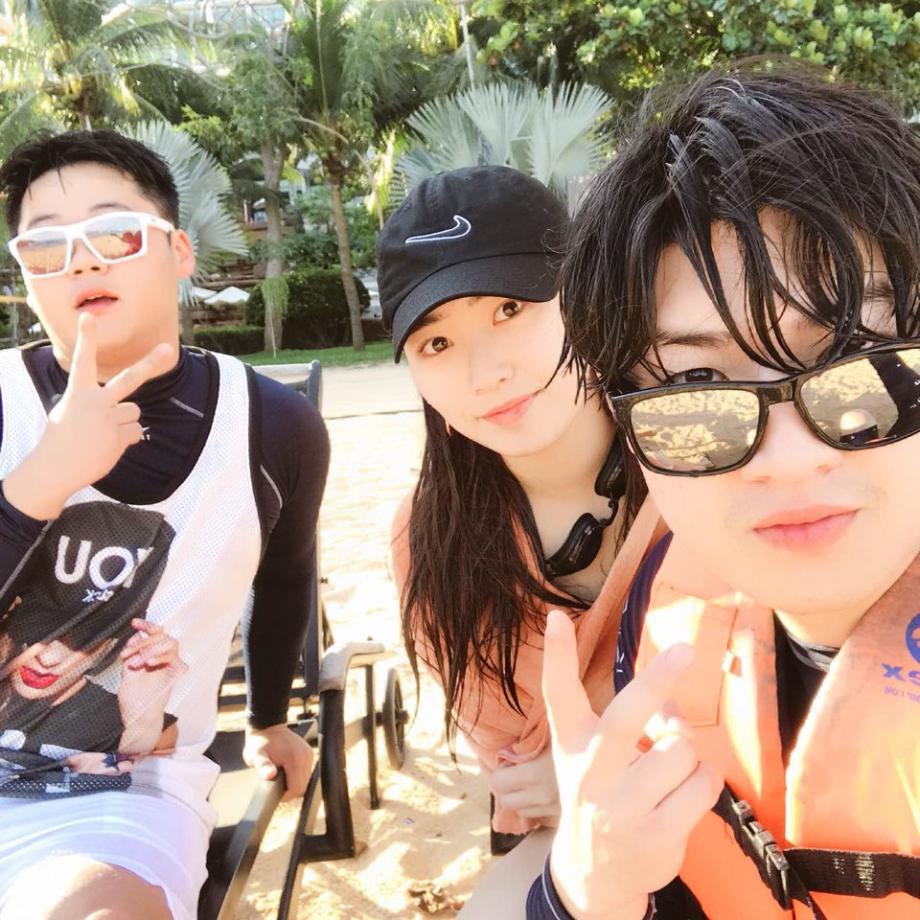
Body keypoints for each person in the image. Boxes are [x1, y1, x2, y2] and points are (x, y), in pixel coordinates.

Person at [528, 67, 920, 919]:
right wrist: (586, 889)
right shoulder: (663, 619)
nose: (790, 457)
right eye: (695, 388)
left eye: (857, 356)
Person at [0, 130, 329, 920]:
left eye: (115, 232)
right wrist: (43, 480)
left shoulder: (273, 428)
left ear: (180, 251)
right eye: (45, 245)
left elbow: (285, 577)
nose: (81, 262)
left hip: (116, 794)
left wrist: (269, 721)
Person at [380, 165, 665, 913]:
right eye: (437, 342)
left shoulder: (699, 454)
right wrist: (572, 786)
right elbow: (524, 778)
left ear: (586, 296)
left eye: (511, 308)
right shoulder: (432, 543)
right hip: (589, 843)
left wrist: (587, 772)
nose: (487, 372)